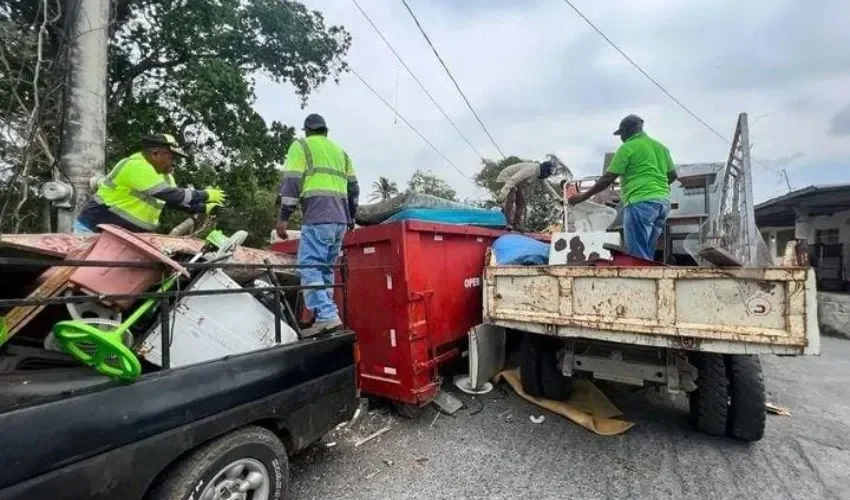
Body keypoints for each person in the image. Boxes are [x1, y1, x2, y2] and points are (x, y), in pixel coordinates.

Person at [276, 114, 359, 337]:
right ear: (325, 130)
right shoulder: (341, 153)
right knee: (324, 269)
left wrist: (284, 217)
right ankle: (324, 315)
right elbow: (353, 190)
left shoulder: (302, 146)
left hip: (318, 216)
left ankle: (326, 314)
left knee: (309, 266)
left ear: (307, 131)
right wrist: (351, 218)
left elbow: (292, 182)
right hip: (340, 221)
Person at [568, 114, 678, 260]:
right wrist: (657, 189)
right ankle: (649, 278)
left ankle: (640, 281)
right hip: (662, 204)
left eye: (621, 134)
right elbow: (672, 175)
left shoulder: (627, 148)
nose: (621, 138)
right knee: (648, 251)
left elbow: (608, 178)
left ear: (626, 131)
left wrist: (582, 197)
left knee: (638, 254)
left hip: (640, 202)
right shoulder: (661, 148)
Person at [75, 134, 225, 233]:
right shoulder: (136, 166)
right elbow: (173, 196)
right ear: (155, 154)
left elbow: (178, 203)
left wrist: (205, 208)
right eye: (171, 157)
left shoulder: (165, 178)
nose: (174, 163)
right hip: (94, 228)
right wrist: (205, 194)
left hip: (124, 236)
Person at [497, 159, 562, 229]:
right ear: (545, 170)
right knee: (511, 198)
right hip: (507, 178)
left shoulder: (539, 175)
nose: (549, 175)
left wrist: (558, 198)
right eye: (550, 172)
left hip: (516, 184)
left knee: (522, 203)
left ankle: (515, 224)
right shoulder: (531, 170)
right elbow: (514, 179)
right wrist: (503, 193)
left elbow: (548, 188)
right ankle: (507, 222)